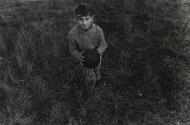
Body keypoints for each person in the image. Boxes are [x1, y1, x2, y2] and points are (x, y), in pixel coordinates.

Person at [67, 3, 107, 85]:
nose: (84, 22)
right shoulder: (72, 34)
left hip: (96, 55)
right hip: (84, 57)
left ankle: (98, 74)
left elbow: (103, 44)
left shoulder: (98, 30)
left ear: (92, 18)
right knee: (90, 77)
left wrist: (98, 52)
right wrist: (79, 55)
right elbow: (72, 49)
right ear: (76, 19)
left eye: (87, 19)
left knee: (97, 67)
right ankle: (91, 87)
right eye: (81, 19)